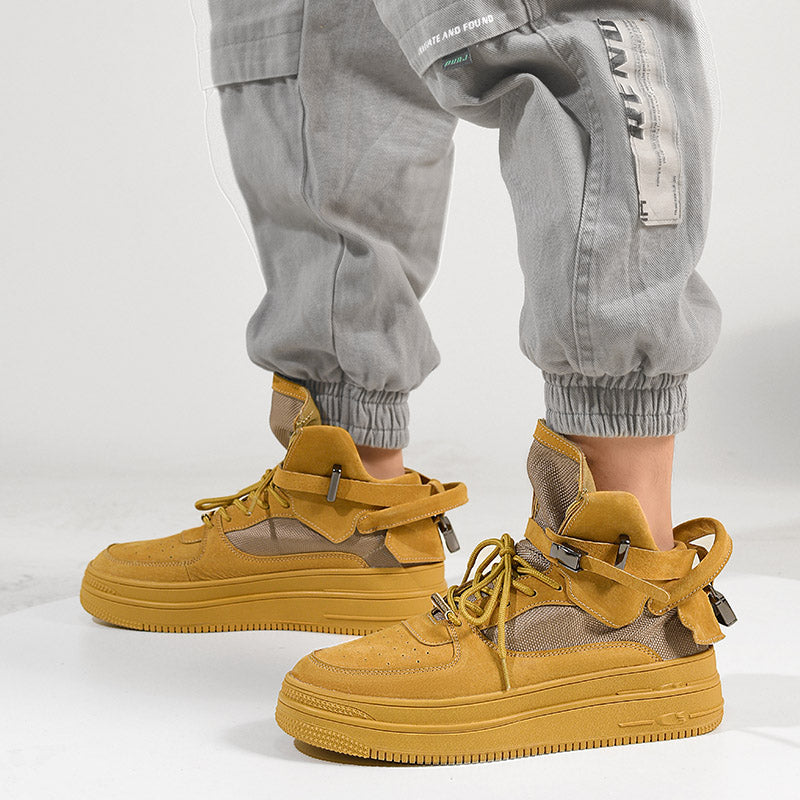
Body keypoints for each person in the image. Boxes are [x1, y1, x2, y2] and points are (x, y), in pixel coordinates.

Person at [80, 0, 736, 763]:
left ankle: (619, 585)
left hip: (625, 585)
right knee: (321, 36)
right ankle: (344, 502)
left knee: (540, 19)